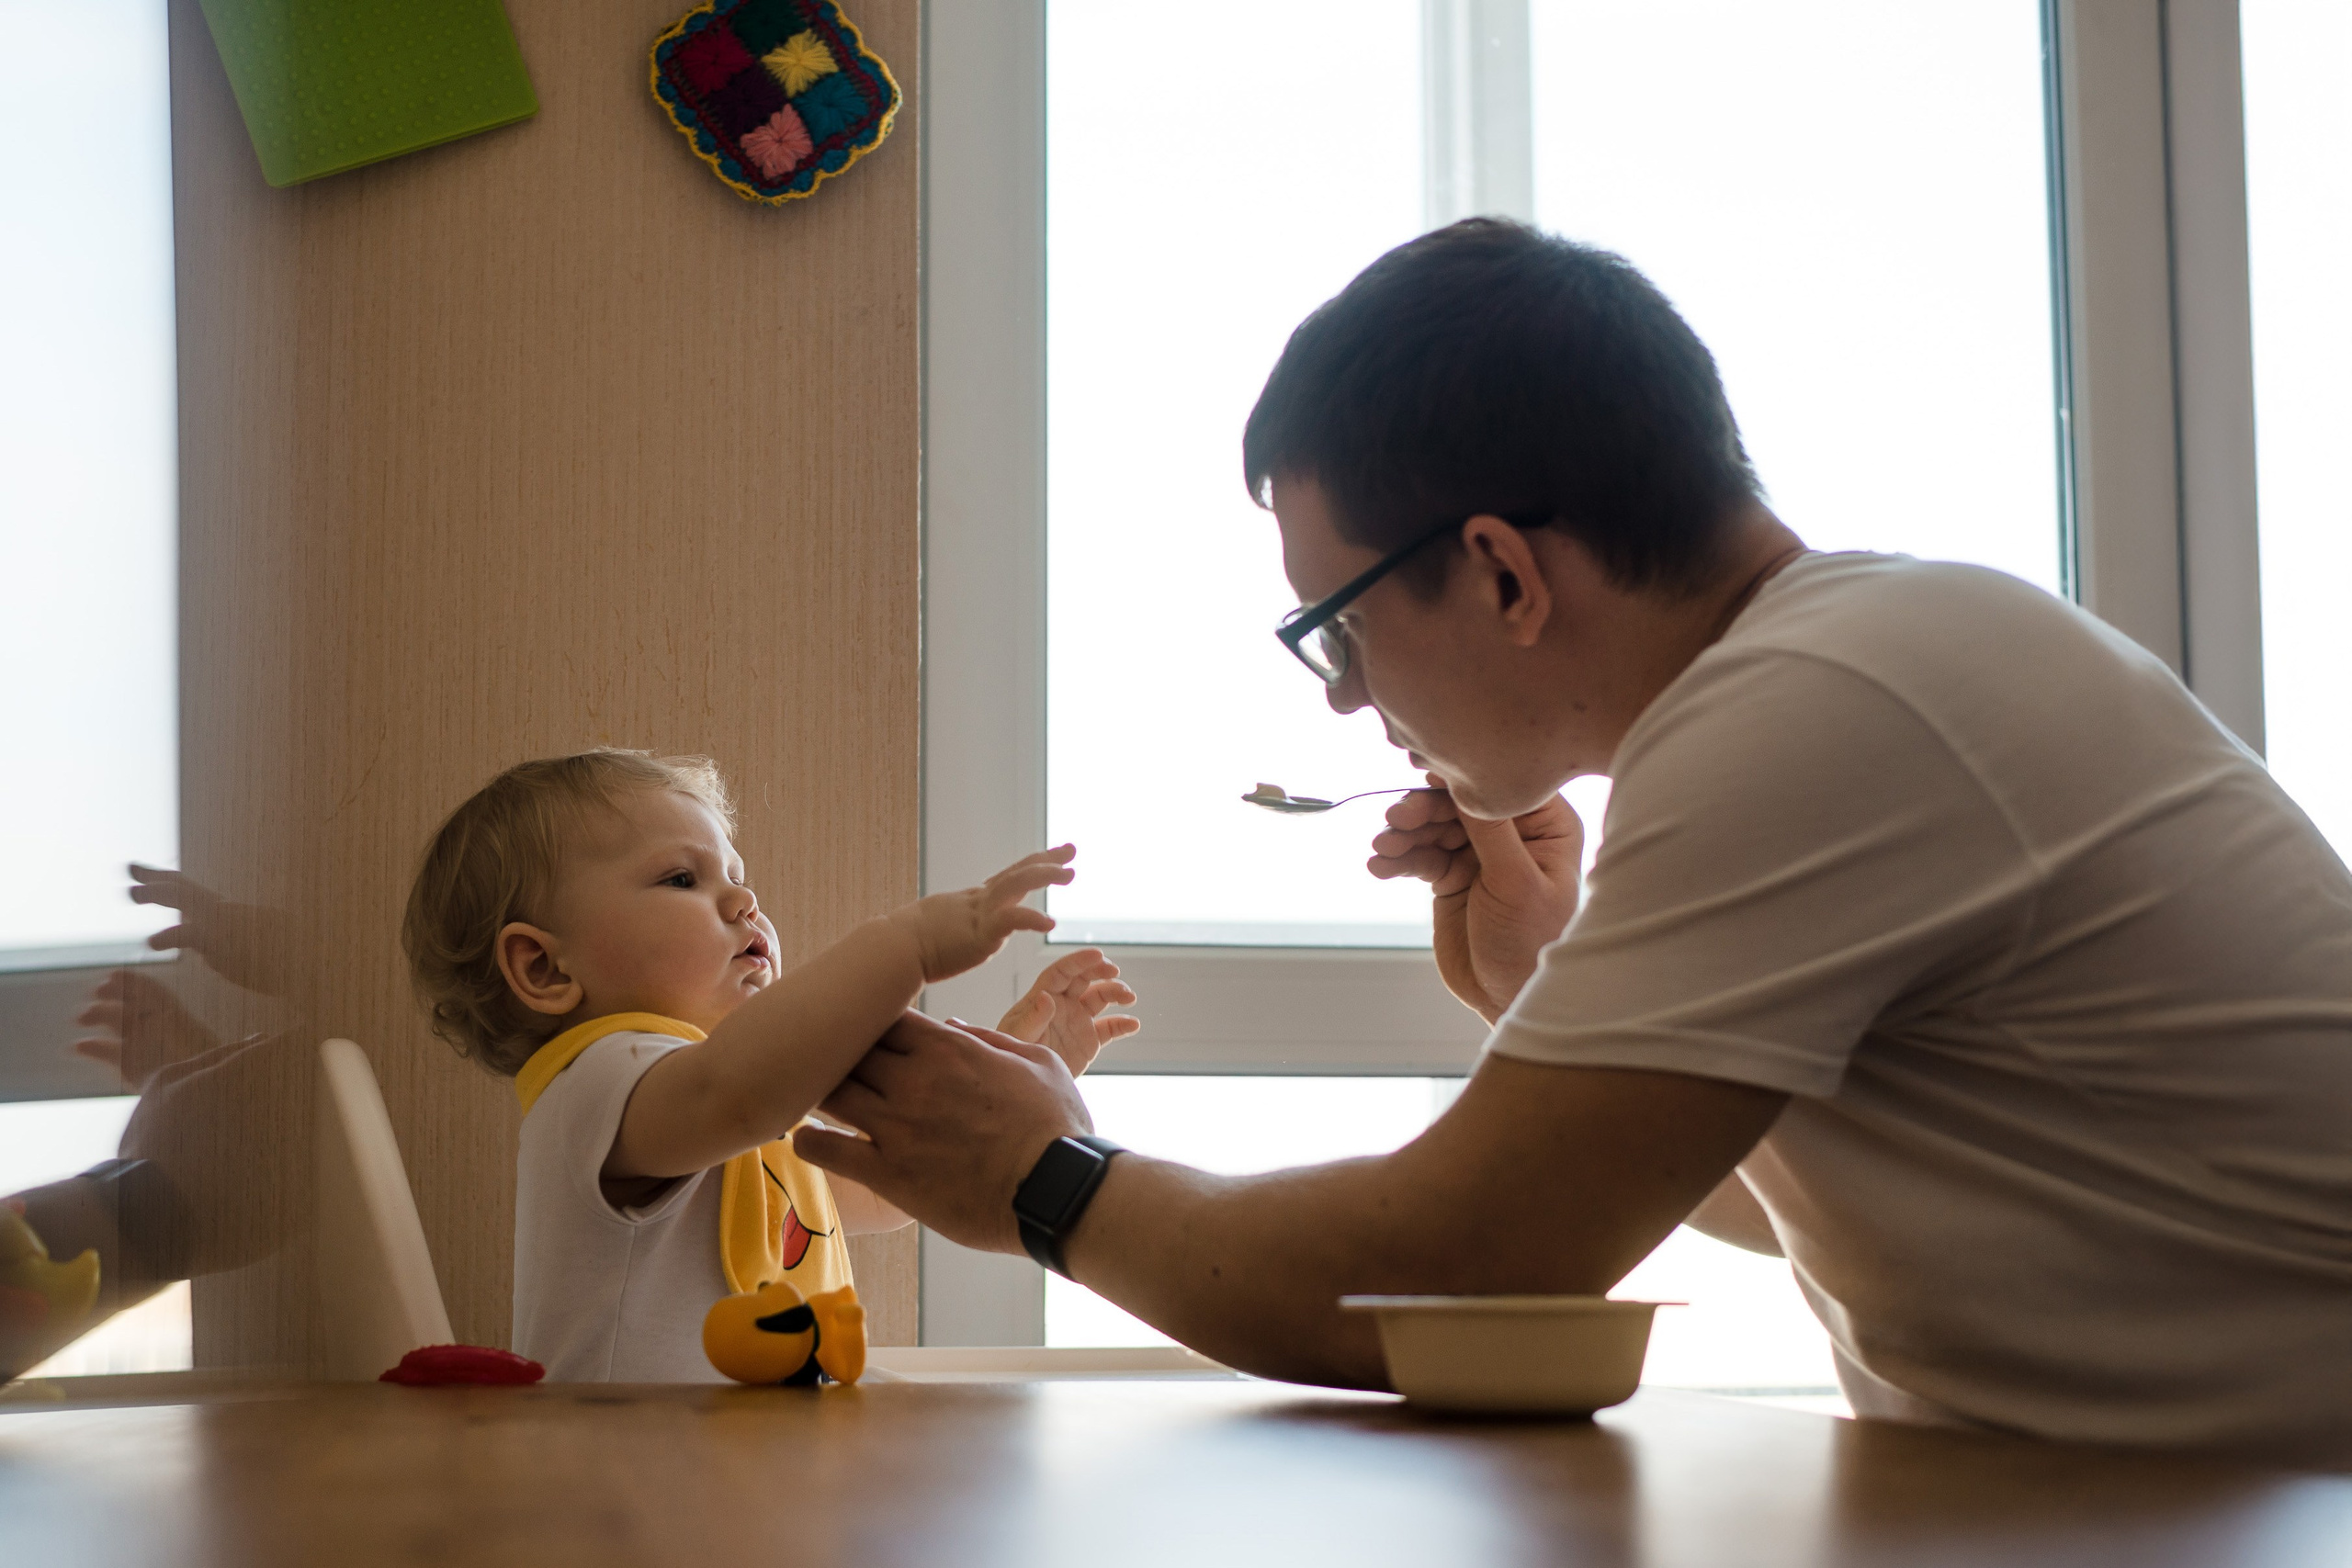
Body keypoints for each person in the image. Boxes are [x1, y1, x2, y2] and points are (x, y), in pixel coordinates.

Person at [792, 220, 2352, 1469]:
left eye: (1336, 633)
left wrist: (1042, 1180)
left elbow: (1469, 1264)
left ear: (1501, 574)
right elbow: (1800, 1201)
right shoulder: (1856, 664)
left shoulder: (1822, 702)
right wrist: (1542, 985)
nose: (1350, 705)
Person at [401, 749, 1135, 1381]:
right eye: (682, 880)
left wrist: (1023, 1064)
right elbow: (740, 1091)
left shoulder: (730, 1108)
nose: (746, 900)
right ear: (545, 965)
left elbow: (888, 1183)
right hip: (616, 1489)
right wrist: (904, 945)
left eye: (737, 875)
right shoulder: (598, 1082)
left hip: (733, 1482)